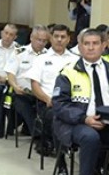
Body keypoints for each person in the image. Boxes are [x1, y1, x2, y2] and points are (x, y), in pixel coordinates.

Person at [53, 28, 109, 175]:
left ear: (103, 46)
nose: (91, 48)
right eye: (86, 44)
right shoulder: (68, 72)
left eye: (95, 43)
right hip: (78, 123)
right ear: (80, 47)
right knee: (90, 138)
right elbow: (59, 105)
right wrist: (84, 118)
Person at [27, 24, 78, 160]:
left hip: (71, 103)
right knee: (57, 116)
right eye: (56, 36)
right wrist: (47, 99)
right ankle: (61, 155)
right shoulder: (41, 59)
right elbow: (35, 85)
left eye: (63, 37)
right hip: (47, 103)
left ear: (68, 39)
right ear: (50, 38)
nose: (59, 39)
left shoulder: (76, 60)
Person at [5, 25, 48, 136]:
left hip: (41, 94)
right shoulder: (19, 52)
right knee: (25, 107)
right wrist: (15, 86)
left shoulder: (48, 55)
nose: (41, 43)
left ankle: (45, 134)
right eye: (39, 40)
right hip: (22, 93)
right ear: (31, 38)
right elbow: (10, 73)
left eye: (44, 41)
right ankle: (37, 135)